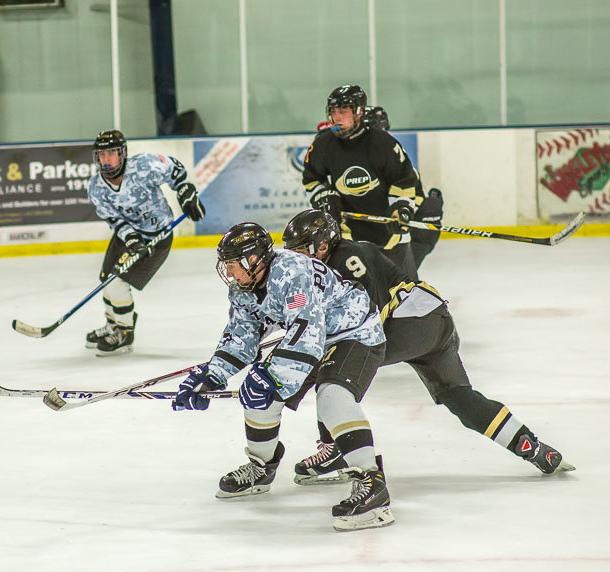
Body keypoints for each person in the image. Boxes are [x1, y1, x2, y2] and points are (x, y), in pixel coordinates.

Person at [281, 209, 573, 482]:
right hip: (432, 322)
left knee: (330, 366)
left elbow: (369, 317)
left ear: (323, 245)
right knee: (459, 397)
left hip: (408, 324)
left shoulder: (347, 258)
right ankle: (535, 449)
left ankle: (335, 449)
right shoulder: (330, 263)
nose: (296, 259)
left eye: (301, 250)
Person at [171, 221, 393, 532]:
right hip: (314, 336)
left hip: (355, 333)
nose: (230, 273)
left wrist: (270, 378)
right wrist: (209, 378)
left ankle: (373, 484)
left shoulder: (293, 272)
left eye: (234, 264)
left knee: (331, 395)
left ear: (254, 259)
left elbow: (308, 335)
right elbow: (241, 337)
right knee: (260, 396)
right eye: (227, 265)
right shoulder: (243, 287)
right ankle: (262, 467)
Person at [86, 129, 205, 356]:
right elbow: (114, 219)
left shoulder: (145, 166)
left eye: (111, 153)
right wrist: (131, 239)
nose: (106, 160)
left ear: (123, 154)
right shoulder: (96, 187)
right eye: (102, 154)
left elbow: (176, 170)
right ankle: (113, 324)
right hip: (128, 235)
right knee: (106, 280)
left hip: (157, 236)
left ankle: (124, 333)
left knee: (117, 283)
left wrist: (186, 193)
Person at [302, 85, 420, 279]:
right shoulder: (323, 144)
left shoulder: (383, 143)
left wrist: (401, 207)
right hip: (348, 237)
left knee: (406, 298)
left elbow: (404, 179)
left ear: (359, 112)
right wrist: (322, 195)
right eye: (333, 111)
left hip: (391, 236)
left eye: (343, 111)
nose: (336, 117)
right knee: (357, 300)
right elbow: (311, 178)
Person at [362, 105, 443, 270]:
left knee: (401, 283)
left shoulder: (392, 156)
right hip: (398, 232)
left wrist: (400, 213)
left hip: (417, 230)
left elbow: (410, 200)